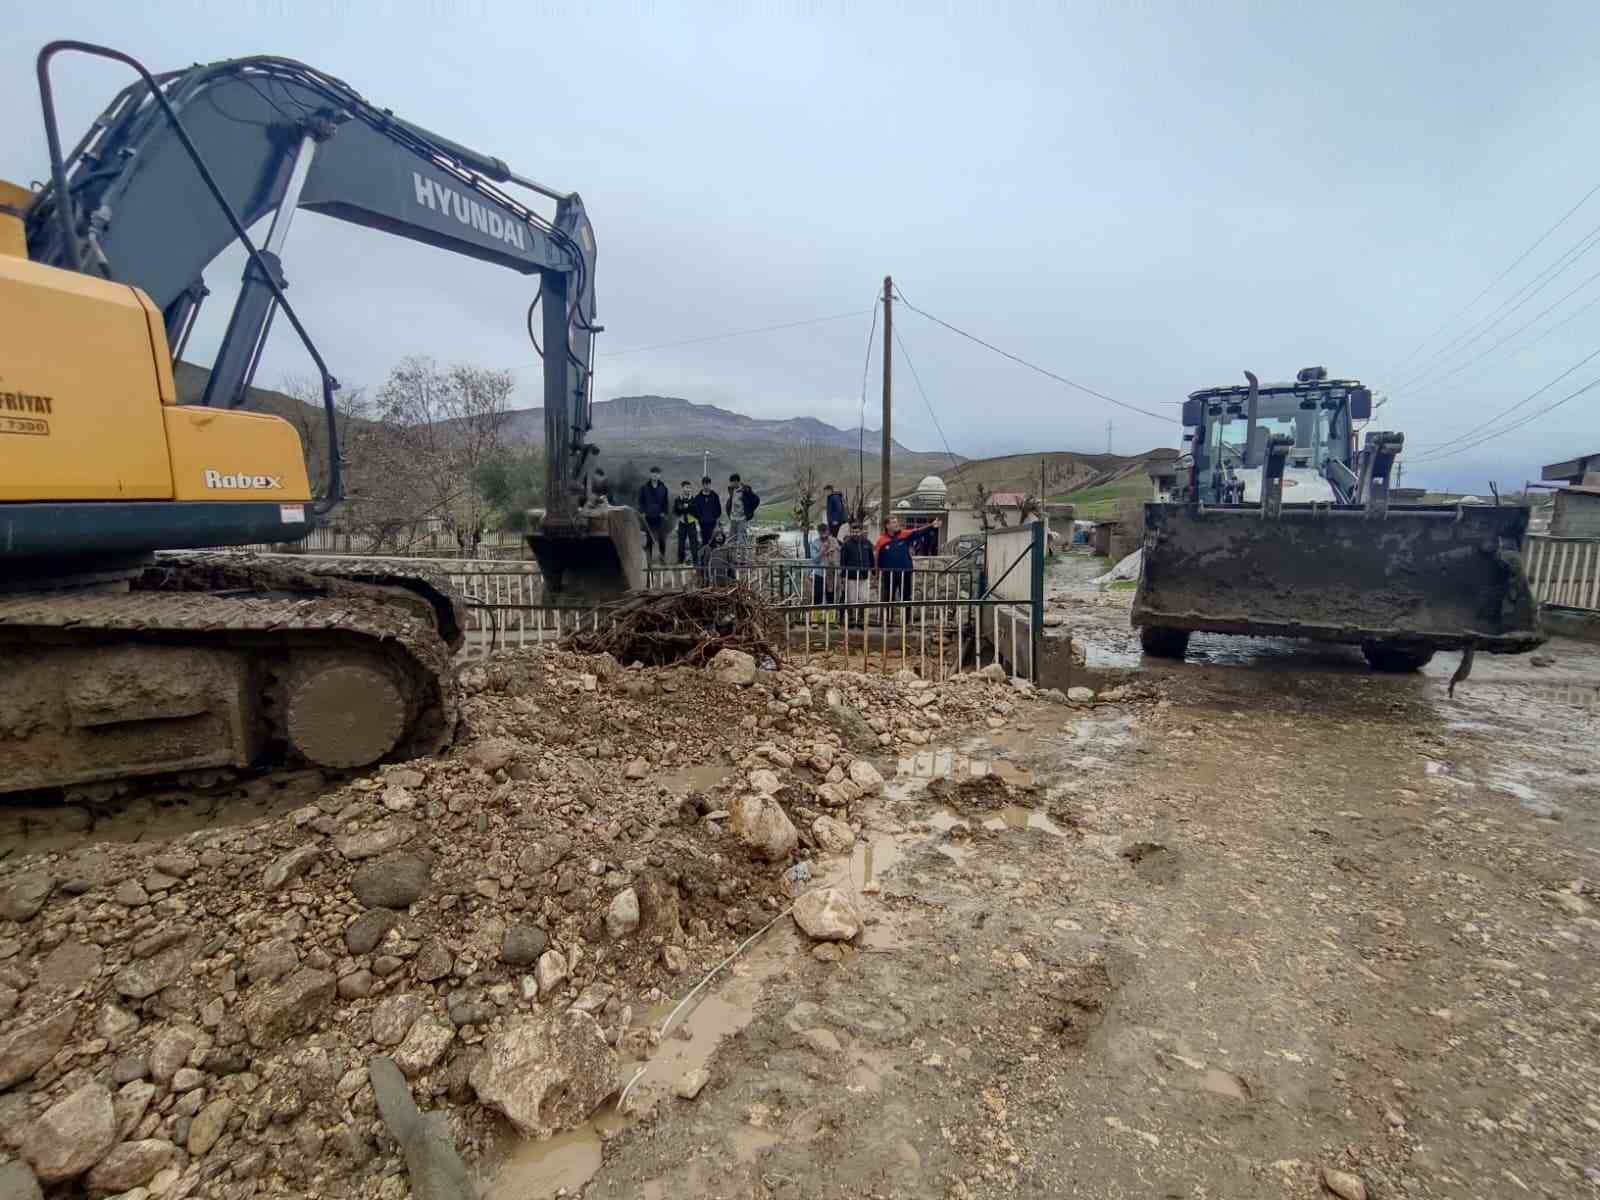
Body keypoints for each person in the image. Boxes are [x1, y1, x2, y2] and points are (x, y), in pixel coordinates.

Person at [876, 517, 940, 604]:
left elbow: (918, 531)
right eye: (894, 522)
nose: (897, 524)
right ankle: (888, 617)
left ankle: (906, 617)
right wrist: (876, 572)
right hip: (889, 574)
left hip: (905, 572)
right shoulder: (881, 540)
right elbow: (877, 557)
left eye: (896, 522)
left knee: (906, 598)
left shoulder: (904, 534)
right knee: (888, 598)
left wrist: (931, 526)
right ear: (887, 526)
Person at [838, 520, 875, 627]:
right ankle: (850, 619)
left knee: (863, 598)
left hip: (864, 575)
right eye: (853, 532)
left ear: (861, 531)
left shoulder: (867, 543)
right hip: (851, 576)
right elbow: (843, 561)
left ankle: (861, 619)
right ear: (850, 532)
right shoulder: (846, 545)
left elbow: (871, 557)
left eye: (857, 532)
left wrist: (873, 571)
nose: (855, 534)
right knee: (851, 599)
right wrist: (843, 575)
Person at [637, 466, 670, 565]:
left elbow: (665, 502)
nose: (655, 475)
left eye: (657, 473)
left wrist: (664, 512)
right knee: (649, 539)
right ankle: (649, 560)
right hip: (648, 517)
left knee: (662, 538)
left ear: (659, 475)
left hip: (659, 517)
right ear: (650, 475)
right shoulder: (644, 488)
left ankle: (662, 559)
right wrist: (642, 512)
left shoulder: (663, 488)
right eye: (653, 473)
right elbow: (641, 501)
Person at [727, 473, 759, 555]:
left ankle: (743, 559)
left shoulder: (746, 490)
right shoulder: (731, 490)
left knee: (742, 540)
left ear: (737, 482)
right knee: (731, 540)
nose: (731, 484)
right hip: (733, 518)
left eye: (733, 482)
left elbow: (756, 500)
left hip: (742, 519)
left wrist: (749, 511)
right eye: (731, 482)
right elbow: (730, 502)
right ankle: (732, 559)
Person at [812, 523, 840, 607]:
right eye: (821, 532)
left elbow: (838, 555)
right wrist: (822, 551)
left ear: (828, 531)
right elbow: (814, 560)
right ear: (818, 532)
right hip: (819, 574)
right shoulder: (815, 543)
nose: (824, 534)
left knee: (830, 596)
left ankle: (830, 618)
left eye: (825, 531)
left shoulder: (834, 541)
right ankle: (816, 617)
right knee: (817, 596)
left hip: (831, 574)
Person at [673, 480, 700, 565]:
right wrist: (686, 508)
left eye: (689, 488)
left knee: (694, 544)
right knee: (681, 544)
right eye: (686, 487)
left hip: (691, 523)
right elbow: (676, 511)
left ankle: (696, 562)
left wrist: (686, 507)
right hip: (682, 523)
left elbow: (696, 511)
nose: (688, 489)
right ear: (682, 488)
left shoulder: (694, 499)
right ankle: (680, 561)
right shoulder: (678, 499)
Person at [691, 475, 721, 551]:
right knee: (704, 542)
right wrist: (699, 518)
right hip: (702, 523)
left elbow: (718, 510)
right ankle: (704, 559)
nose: (706, 486)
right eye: (705, 484)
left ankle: (713, 560)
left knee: (713, 541)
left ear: (710, 485)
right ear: (702, 485)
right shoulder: (698, 497)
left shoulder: (714, 496)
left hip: (712, 523)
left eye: (708, 484)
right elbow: (694, 511)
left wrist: (716, 520)